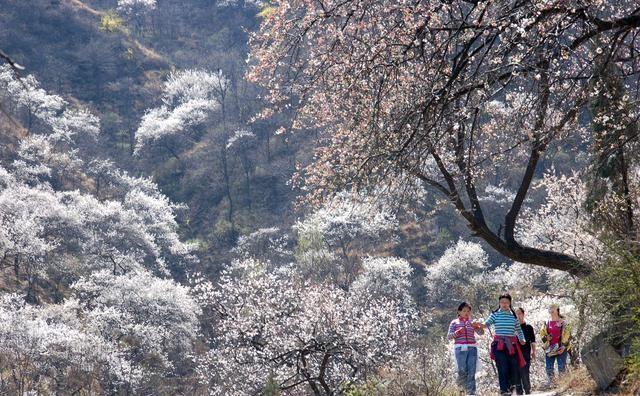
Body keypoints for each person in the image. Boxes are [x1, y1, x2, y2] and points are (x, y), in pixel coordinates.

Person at [477, 294, 526, 396]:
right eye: (502, 302)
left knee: (513, 366)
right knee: (502, 366)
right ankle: (504, 390)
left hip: (511, 345)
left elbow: (519, 330)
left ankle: (511, 386)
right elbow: (486, 324)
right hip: (498, 345)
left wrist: (522, 339)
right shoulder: (495, 315)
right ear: (499, 303)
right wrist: (478, 325)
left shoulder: (513, 316)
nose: (504, 304)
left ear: (510, 303)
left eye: (506, 302)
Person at [448, 302, 484, 395]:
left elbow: (481, 333)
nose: (466, 313)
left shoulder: (472, 322)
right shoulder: (454, 322)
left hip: (472, 348)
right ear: (459, 312)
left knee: (472, 370)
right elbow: (449, 336)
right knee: (462, 370)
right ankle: (461, 391)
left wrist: (477, 327)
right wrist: (458, 332)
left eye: (468, 311)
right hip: (460, 348)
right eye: (464, 311)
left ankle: (471, 393)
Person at [540, 303, 572, 386]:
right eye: (550, 308)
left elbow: (569, 336)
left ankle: (563, 385)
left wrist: (564, 347)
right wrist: (546, 338)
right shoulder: (546, 323)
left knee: (561, 367)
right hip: (550, 348)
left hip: (561, 348)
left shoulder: (564, 323)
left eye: (553, 308)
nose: (551, 310)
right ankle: (552, 384)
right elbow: (542, 336)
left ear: (557, 309)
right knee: (549, 368)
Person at [515, 307, 536, 395]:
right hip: (515, 353)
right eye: (516, 314)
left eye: (519, 313)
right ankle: (519, 392)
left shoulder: (528, 327)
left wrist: (533, 352)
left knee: (525, 372)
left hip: (526, 352)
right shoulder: (513, 328)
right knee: (516, 373)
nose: (518, 315)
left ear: (523, 314)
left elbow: (533, 341)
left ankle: (527, 390)